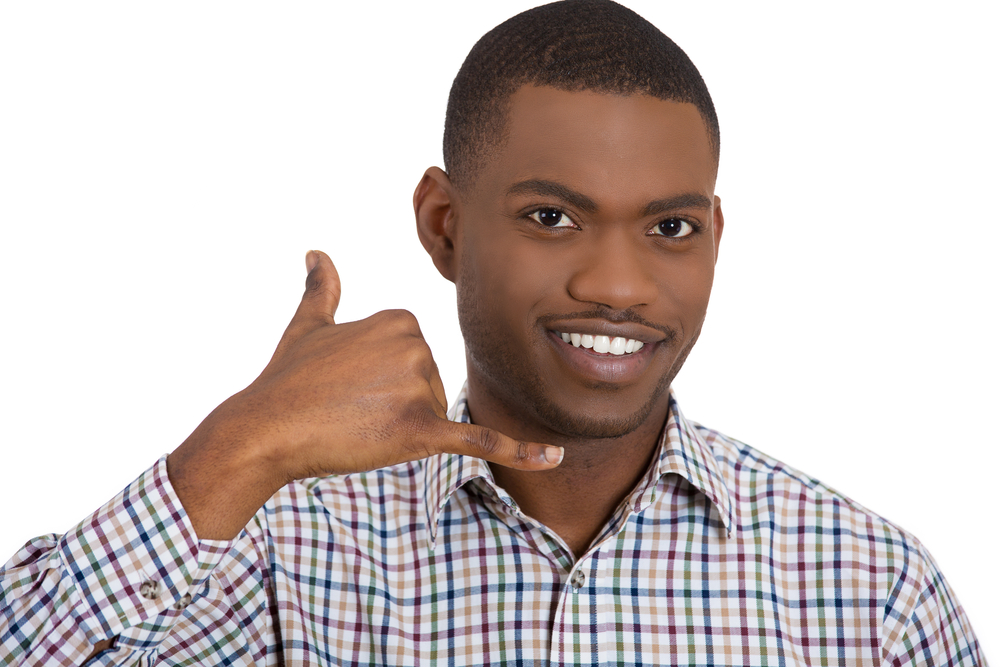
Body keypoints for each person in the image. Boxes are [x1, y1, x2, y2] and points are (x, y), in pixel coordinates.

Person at [0, 1, 989, 665]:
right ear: (443, 226)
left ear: (715, 239)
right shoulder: (279, 551)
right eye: (550, 217)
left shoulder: (870, 591)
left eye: (669, 227)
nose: (617, 283)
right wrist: (235, 449)